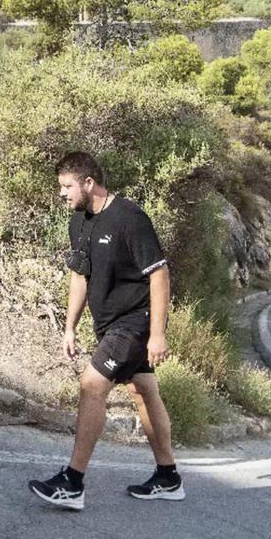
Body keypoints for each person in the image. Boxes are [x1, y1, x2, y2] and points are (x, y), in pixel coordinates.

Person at [29, 152, 183, 511]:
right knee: (143, 391)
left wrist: (157, 333)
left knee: (91, 385)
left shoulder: (130, 218)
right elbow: (79, 274)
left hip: (136, 320)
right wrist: (69, 326)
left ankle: (72, 482)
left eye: (67, 187)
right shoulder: (79, 221)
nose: (62, 194)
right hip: (109, 324)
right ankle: (168, 476)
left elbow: (159, 274)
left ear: (88, 183)